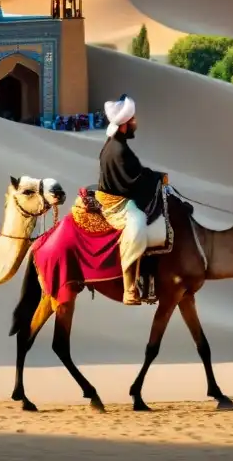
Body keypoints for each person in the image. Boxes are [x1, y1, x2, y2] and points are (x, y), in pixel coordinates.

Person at [97, 94, 168, 305]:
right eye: (133, 119)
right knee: (136, 223)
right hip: (116, 204)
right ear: (125, 124)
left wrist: (156, 176)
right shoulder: (117, 150)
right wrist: (156, 178)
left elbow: (135, 172)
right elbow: (131, 182)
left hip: (117, 195)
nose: (136, 122)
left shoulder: (119, 145)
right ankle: (129, 289)